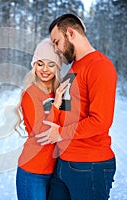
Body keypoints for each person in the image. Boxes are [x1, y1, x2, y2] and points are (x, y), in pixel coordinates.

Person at [35, 13, 118, 200]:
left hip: (89, 166)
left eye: (56, 42)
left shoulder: (100, 66)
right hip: (64, 162)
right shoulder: (74, 68)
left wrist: (61, 133)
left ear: (70, 33)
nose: (55, 49)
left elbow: (101, 121)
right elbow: (69, 111)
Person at [14, 39, 70, 200]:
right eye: (40, 64)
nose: (45, 69)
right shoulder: (31, 93)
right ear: (34, 66)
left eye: (51, 64)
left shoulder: (57, 93)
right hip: (33, 172)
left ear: (58, 67)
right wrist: (57, 104)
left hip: (56, 172)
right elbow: (42, 132)